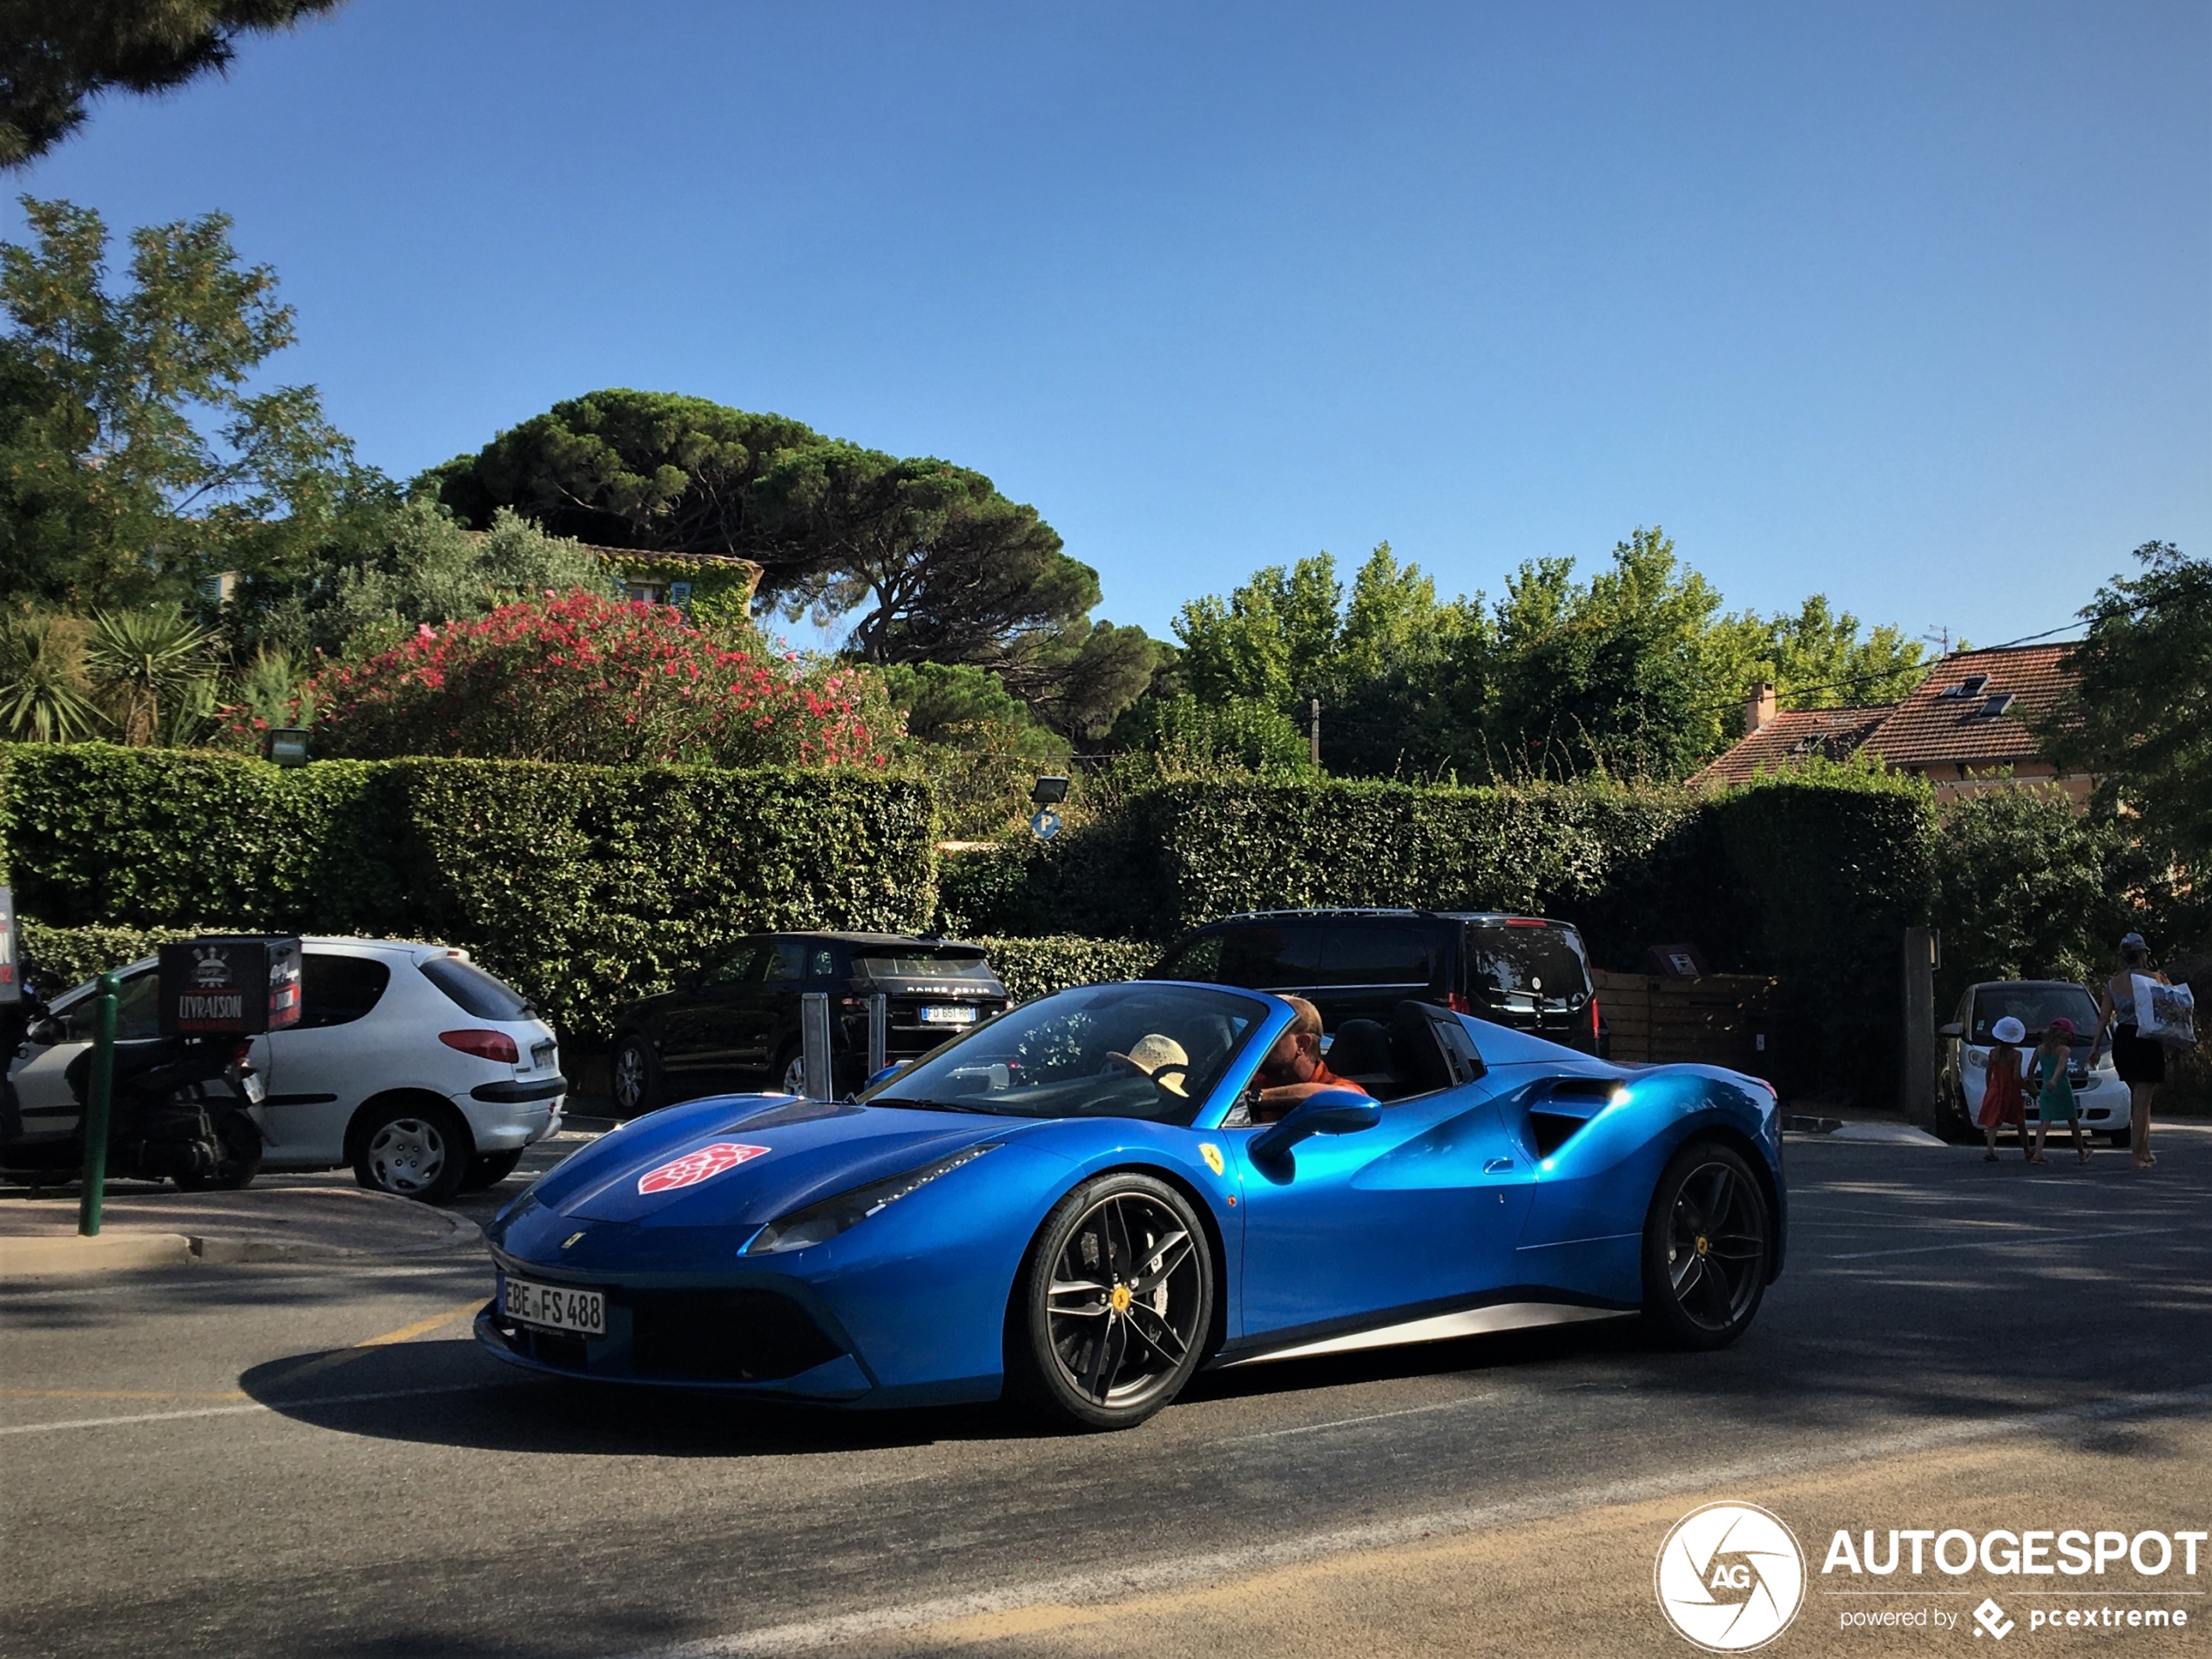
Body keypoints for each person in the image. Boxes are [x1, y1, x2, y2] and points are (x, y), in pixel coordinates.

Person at [2089, 932, 2169, 1171]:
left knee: (2139, 1098)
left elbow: (2103, 1017)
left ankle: (2144, 1150)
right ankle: (2138, 1155)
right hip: (2146, 1039)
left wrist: (2094, 1046)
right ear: (2143, 954)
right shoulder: (2156, 978)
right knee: (2143, 1102)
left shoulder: (2113, 984)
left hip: (2123, 1041)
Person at [1248, 995, 1372, 1123]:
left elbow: (1352, 1098)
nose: (1255, 1044)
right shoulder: (1248, 1079)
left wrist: (1256, 1098)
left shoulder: (1338, 1087)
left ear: (1302, 1044)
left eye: (1268, 1037)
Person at [2027, 1016, 2088, 1165]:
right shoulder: (2064, 1050)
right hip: (2062, 1089)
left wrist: (2033, 1087)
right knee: (2073, 1121)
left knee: (2044, 1122)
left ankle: (2038, 1152)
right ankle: (2082, 1152)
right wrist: (2054, 1080)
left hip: (2046, 1090)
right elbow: (2061, 1067)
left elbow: (2030, 1070)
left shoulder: (2040, 1049)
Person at [1976, 1015, 2029, 1163]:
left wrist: (1990, 1088)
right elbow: (2017, 1077)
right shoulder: (2016, 1054)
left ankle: (1990, 1149)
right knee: (2020, 1120)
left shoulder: (1993, 1052)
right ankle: (2027, 1150)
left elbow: (1988, 1072)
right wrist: (2029, 1089)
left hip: (1995, 1087)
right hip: (2011, 1090)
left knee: (1994, 1120)